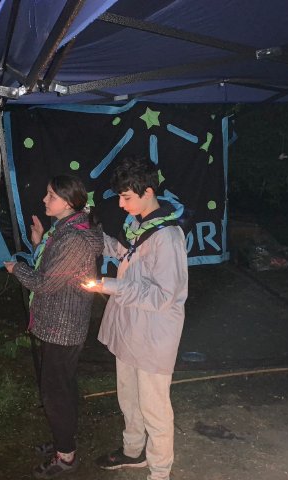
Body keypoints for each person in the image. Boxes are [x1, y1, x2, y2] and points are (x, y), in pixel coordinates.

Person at [82, 156, 188, 480]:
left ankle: (160, 471)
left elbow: (162, 295)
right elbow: (126, 254)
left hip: (154, 336)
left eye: (126, 197)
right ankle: (133, 450)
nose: (121, 204)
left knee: (154, 406)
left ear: (148, 191)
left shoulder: (167, 237)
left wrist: (109, 286)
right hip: (130, 330)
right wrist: (95, 235)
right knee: (128, 397)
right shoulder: (139, 224)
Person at [4, 174, 103, 479]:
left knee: (55, 392)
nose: (44, 200)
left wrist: (16, 268)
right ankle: (64, 440)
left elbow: (44, 283)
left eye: (51, 196)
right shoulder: (65, 229)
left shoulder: (72, 238)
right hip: (60, 324)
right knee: (63, 386)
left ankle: (66, 456)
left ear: (69, 203)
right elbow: (53, 268)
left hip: (63, 327)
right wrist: (38, 242)